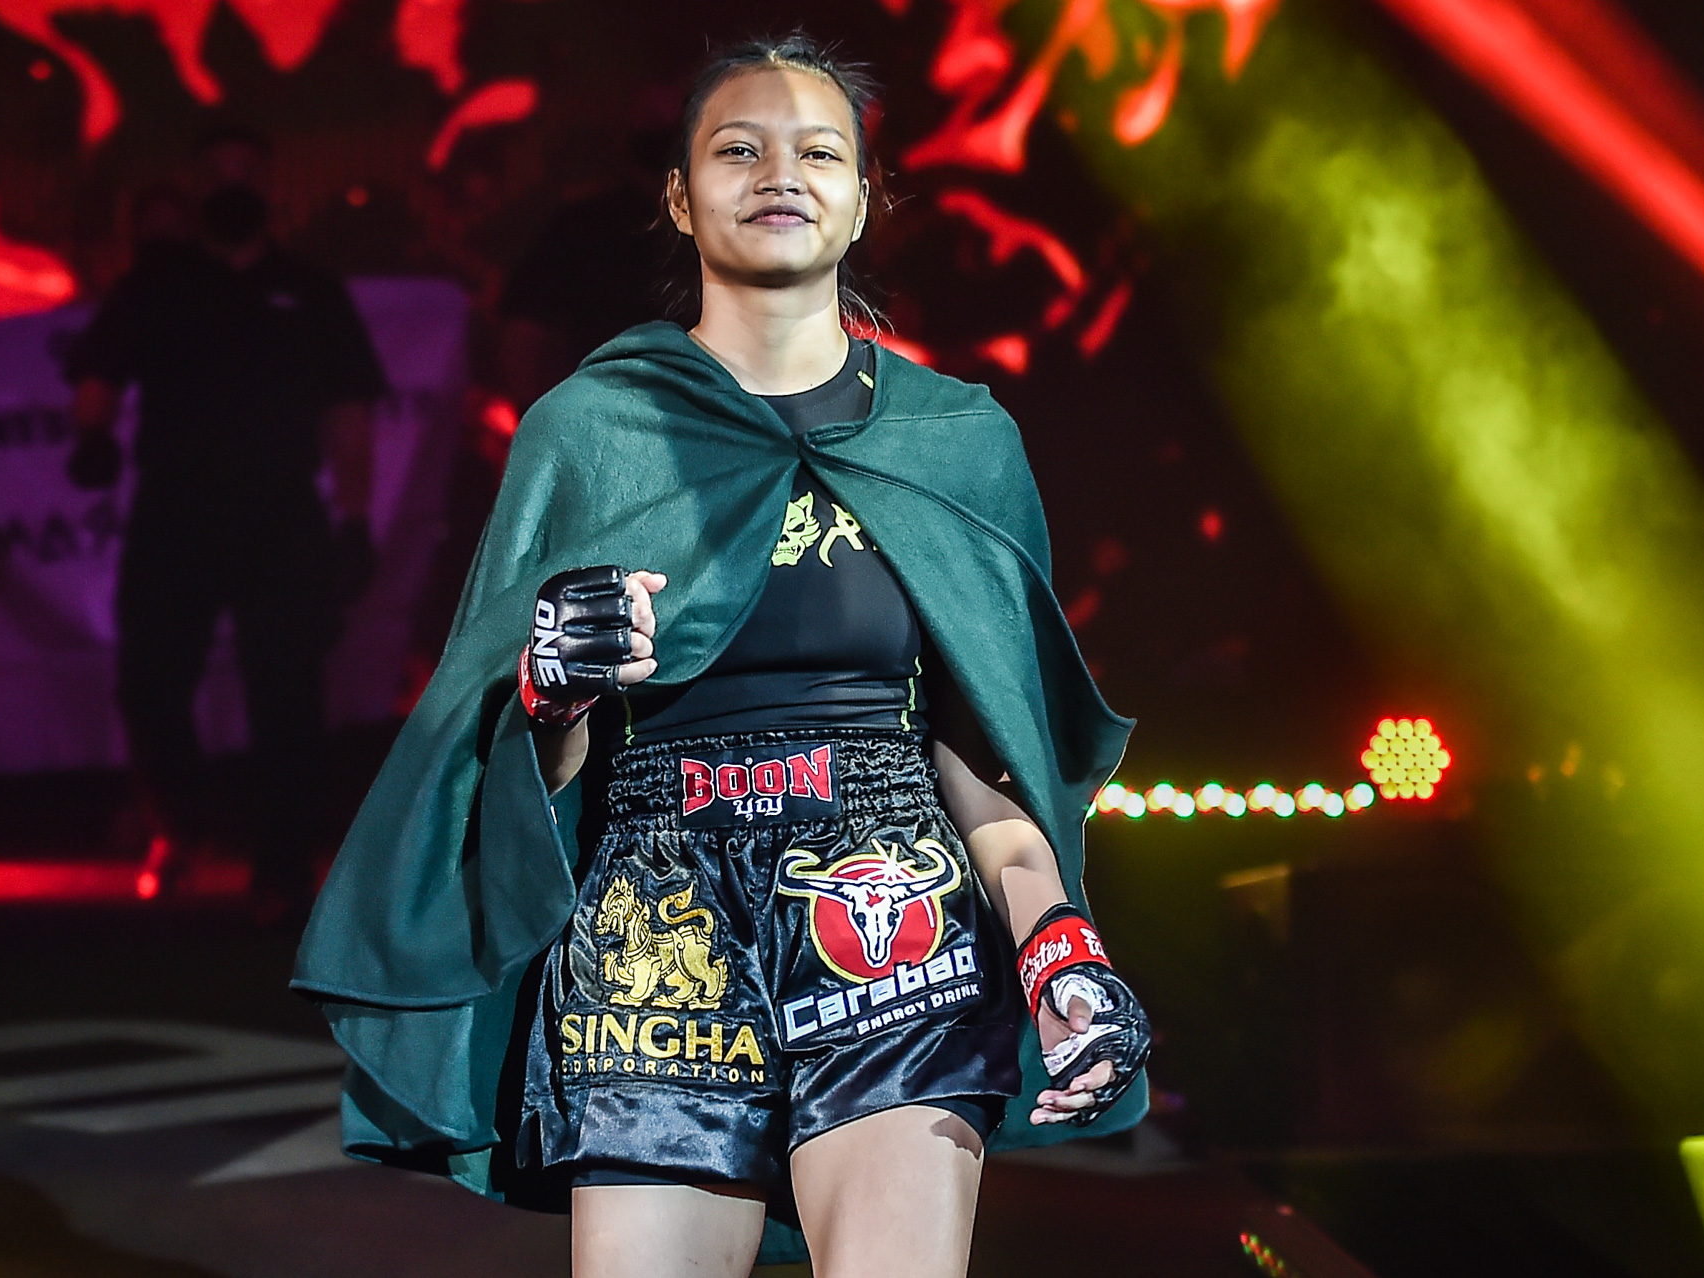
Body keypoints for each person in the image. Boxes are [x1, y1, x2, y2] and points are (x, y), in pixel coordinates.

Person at [292, 35, 1151, 1276]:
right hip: (656, 924)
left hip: (890, 912)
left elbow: (985, 757)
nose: (779, 174)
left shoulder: (957, 439)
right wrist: (553, 692)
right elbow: (525, 765)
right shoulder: (590, 432)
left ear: (865, 199)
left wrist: (1059, 942)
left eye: (819, 152)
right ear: (682, 198)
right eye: (738, 149)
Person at [65, 126, 389, 920]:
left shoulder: (310, 292)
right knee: (150, 682)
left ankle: (283, 862)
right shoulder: (155, 285)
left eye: (246, 171)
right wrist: (93, 434)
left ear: (269, 187)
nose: (232, 185)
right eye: (217, 174)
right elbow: (98, 371)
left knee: (287, 690)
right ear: (196, 188)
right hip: (175, 513)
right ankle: (182, 824)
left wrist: (353, 517)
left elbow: (348, 410)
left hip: (280, 515)